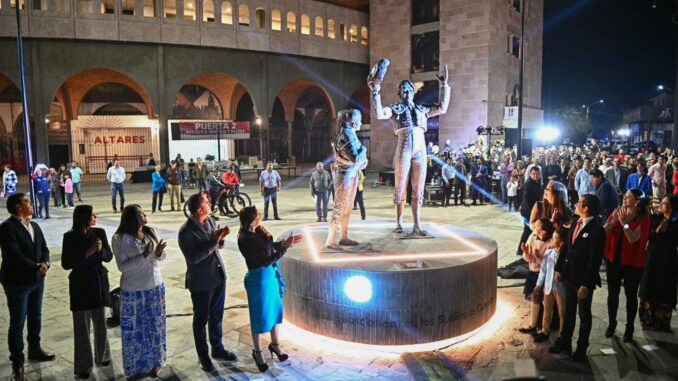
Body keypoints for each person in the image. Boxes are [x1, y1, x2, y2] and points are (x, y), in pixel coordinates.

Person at [369, 59, 450, 235]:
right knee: (400, 186)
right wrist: (375, 91)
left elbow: (442, 108)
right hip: (404, 146)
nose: (406, 91)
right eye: (403, 89)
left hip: (420, 149)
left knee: (418, 188)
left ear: (413, 91)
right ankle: (398, 223)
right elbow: (379, 113)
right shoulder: (395, 109)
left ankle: (417, 224)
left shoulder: (422, 109)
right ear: (400, 93)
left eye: (408, 88)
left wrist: (444, 85)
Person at [237, 206, 302, 372]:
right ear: (252, 221)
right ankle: (258, 352)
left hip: (270, 277)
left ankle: (275, 345)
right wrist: (284, 247)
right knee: (258, 316)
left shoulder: (257, 231)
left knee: (274, 310)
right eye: (258, 216)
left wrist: (284, 243)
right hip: (258, 279)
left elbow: (269, 246)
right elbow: (265, 260)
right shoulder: (245, 238)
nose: (261, 219)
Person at [178, 193, 237, 373]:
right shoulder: (186, 231)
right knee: (201, 321)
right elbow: (194, 258)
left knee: (217, 316)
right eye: (206, 202)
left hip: (218, 276)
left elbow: (216, 246)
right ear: (199, 210)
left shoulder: (210, 220)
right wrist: (214, 241)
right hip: (202, 282)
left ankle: (217, 349)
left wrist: (221, 238)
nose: (210, 203)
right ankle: (203, 357)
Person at [0, 193, 55, 381]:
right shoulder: (7, 228)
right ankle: (18, 362)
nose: (31, 204)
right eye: (27, 202)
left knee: (35, 315)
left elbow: (44, 248)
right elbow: (13, 255)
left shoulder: (34, 225)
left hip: (37, 280)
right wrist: (35, 268)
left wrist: (45, 263)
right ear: (18, 207)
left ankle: (34, 348)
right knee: (17, 322)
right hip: (18, 282)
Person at [111, 205, 167, 378]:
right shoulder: (120, 238)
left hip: (155, 286)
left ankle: (156, 363)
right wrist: (143, 256)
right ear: (131, 218)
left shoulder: (150, 232)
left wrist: (158, 253)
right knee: (135, 331)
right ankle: (135, 367)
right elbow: (123, 266)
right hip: (134, 290)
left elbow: (159, 258)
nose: (144, 215)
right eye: (140, 213)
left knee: (155, 327)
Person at [550, 195, 605, 361]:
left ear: (586, 208)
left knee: (584, 315)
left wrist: (586, 284)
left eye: (579, 203)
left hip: (582, 281)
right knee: (568, 312)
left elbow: (595, 260)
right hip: (569, 276)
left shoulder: (597, 229)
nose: (576, 204)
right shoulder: (575, 222)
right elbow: (567, 247)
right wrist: (560, 268)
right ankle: (565, 341)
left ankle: (581, 348)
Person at [61, 205, 112, 379]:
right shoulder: (69, 237)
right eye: (92, 215)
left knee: (100, 323)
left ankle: (103, 356)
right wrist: (87, 253)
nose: (95, 216)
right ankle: (83, 365)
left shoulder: (99, 233)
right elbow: (66, 263)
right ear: (83, 218)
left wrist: (101, 250)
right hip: (80, 284)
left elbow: (108, 257)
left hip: (98, 282)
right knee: (81, 327)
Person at [603, 188, 651, 342]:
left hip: (632, 263)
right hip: (614, 260)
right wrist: (611, 224)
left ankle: (629, 327)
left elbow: (633, 238)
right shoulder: (617, 211)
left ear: (636, 201)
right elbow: (605, 231)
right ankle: (612, 323)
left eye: (628, 197)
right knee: (612, 294)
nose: (624, 199)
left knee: (630, 296)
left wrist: (623, 224)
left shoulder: (643, 217)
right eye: (624, 196)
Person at [326, 109, 368, 247]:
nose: (361, 122)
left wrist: (359, 160)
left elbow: (362, 162)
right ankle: (330, 240)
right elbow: (357, 158)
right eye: (359, 119)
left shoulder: (350, 134)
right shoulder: (345, 135)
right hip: (344, 175)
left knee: (348, 208)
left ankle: (343, 237)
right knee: (339, 207)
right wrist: (364, 150)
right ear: (351, 121)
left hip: (351, 173)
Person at [639, 195, 678, 331]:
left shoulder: (675, 222)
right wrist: (658, 230)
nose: (660, 205)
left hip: (668, 259)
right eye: (660, 202)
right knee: (650, 284)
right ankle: (647, 320)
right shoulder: (655, 218)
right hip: (653, 257)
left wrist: (669, 230)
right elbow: (648, 235)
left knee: (665, 287)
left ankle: (663, 321)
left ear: (671, 207)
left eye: (664, 203)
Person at [518, 219, 554, 334]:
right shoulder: (533, 236)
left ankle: (543, 327)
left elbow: (549, 263)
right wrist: (527, 252)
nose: (534, 226)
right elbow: (528, 259)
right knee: (534, 298)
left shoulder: (551, 243)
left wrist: (539, 257)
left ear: (543, 231)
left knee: (545, 302)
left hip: (544, 275)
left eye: (537, 225)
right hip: (533, 272)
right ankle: (532, 324)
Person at [531, 228, 567, 342]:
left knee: (562, 312)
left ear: (561, 242)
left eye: (555, 238)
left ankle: (562, 335)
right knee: (547, 309)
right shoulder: (549, 253)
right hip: (548, 286)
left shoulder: (566, 256)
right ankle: (544, 331)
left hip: (560, 288)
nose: (551, 239)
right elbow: (543, 270)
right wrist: (538, 285)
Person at [517, 166, 544, 255]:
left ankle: (525, 248)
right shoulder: (528, 184)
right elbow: (526, 199)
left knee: (529, 230)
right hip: (528, 211)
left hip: (534, 210)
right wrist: (533, 212)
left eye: (537, 174)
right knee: (527, 229)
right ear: (530, 174)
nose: (535, 176)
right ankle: (520, 249)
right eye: (534, 174)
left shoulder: (537, 182)